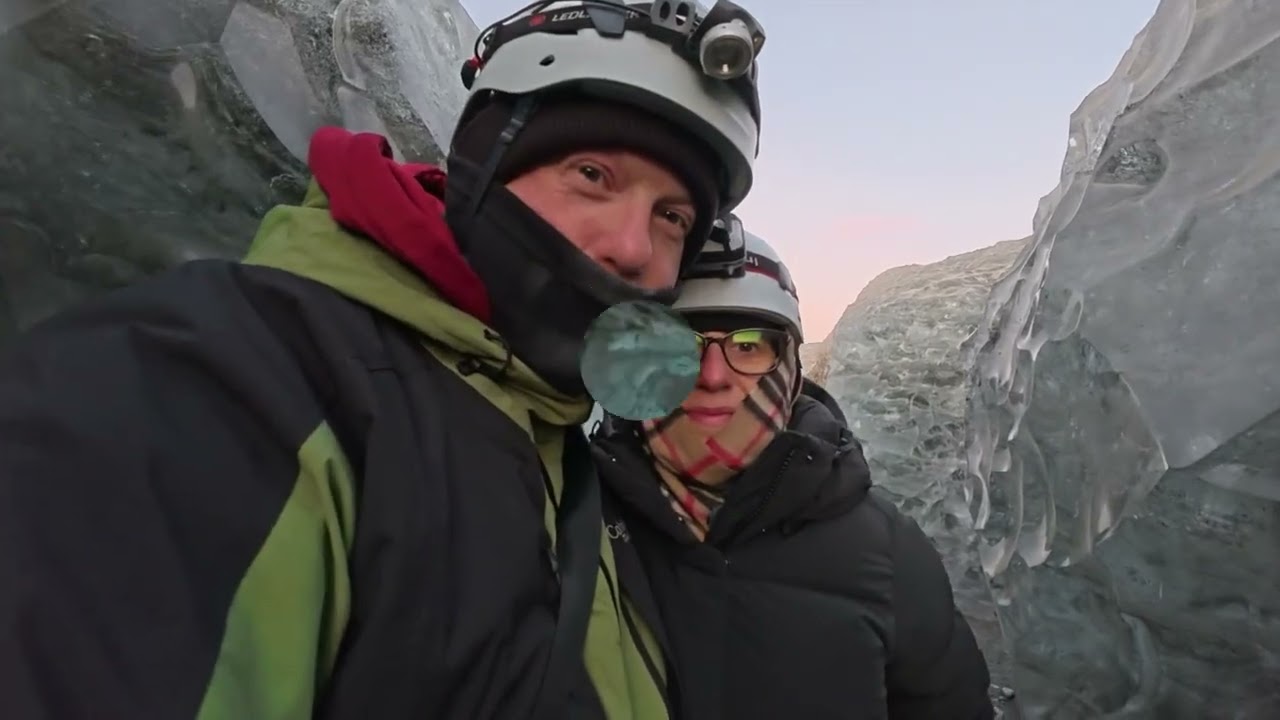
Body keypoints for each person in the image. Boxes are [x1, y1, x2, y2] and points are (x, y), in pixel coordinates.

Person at [0, 1, 768, 718]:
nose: (632, 248)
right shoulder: (231, 379)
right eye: (592, 176)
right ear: (484, 164)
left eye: (672, 217)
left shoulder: (560, 440)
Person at [591, 217, 996, 720]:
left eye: (748, 345)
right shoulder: (564, 514)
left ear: (790, 368)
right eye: (685, 345)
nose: (713, 376)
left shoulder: (886, 553)